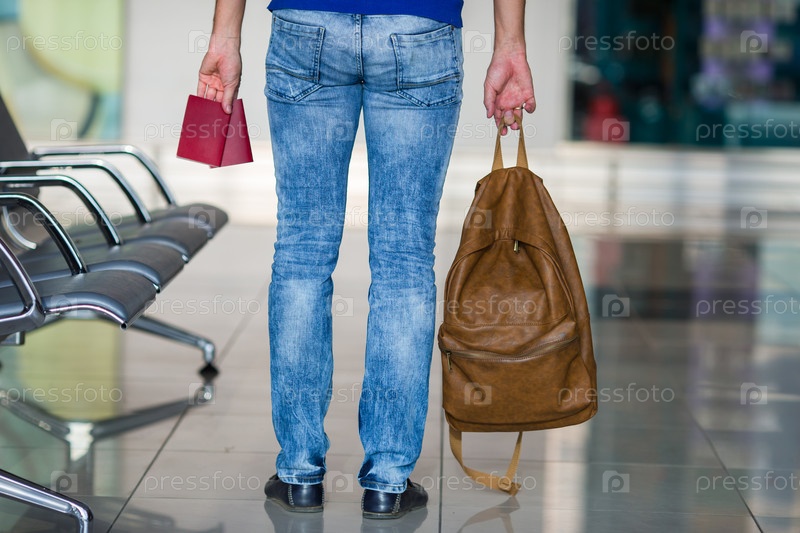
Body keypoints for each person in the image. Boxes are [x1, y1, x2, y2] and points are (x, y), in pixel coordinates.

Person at [197, 0, 535, 519]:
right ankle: (388, 481)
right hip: (419, 26)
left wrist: (225, 35)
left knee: (302, 254)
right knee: (405, 262)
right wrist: (510, 44)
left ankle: (300, 473)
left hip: (308, 24)